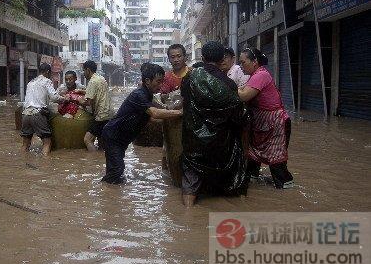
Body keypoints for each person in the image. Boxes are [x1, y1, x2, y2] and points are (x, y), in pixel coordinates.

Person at [181, 41, 248, 207]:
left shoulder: (190, 78)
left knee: (191, 179)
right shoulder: (229, 84)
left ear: (203, 58)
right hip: (221, 141)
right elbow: (236, 113)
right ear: (221, 59)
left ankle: (188, 213)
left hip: (194, 140)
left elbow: (185, 101)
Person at [101, 63, 183, 184]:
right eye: (158, 82)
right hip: (113, 136)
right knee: (117, 170)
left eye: (162, 81)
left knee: (115, 170)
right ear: (147, 81)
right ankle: (106, 193)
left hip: (121, 137)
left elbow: (156, 114)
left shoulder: (148, 95)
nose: (161, 86)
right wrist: (180, 113)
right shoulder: (139, 95)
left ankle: (110, 190)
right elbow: (155, 113)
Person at [238, 47, 294, 189]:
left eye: (243, 62)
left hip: (276, 125)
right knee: (253, 155)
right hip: (263, 125)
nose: (241, 66)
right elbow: (242, 90)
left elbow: (244, 95)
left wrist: (232, 86)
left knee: (276, 161)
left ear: (255, 61)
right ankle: (252, 183)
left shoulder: (261, 75)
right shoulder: (255, 75)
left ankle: (287, 192)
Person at [21, 63, 66, 155]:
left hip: (25, 114)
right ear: (48, 72)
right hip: (38, 114)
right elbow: (54, 98)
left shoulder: (31, 82)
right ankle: (46, 164)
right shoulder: (46, 81)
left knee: (25, 144)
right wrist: (64, 99)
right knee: (47, 142)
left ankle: (22, 162)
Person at [79, 60, 111, 151]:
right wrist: (83, 91)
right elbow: (97, 93)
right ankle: (101, 161)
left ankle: (94, 160)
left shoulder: (92, 81)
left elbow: (88, 102)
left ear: (88, 70)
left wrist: (79, 101)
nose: (83, 73)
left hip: (101, 115)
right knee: (101, 142)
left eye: (84, 71)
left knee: (87, 139)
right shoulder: (101, 78)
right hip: (109, 114)